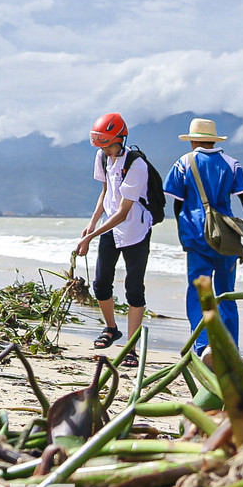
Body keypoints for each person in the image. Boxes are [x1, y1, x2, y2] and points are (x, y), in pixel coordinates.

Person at [162, 117, 243, 358]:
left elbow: (177, 205)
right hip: (226, 237)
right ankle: (230, 348)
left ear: (193, 140)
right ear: (213, 139)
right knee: (226, 292)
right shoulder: (232, 164)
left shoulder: (183, 163)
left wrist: (184, 232)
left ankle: (203, 346)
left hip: (196, 235)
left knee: (199, 293)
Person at [75, 112, 152, 367]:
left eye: (108, 144)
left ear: (121, 138)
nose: (105, 149)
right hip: (109, 226)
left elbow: (122, 212)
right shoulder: (102, 157)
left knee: (133, 288)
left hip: (135, 230)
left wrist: (90, 238)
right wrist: (91, 223)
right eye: (101, 145)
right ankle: (111, 328)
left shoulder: (136, 164)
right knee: (100, 283)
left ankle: (131, 348)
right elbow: (106, 192)